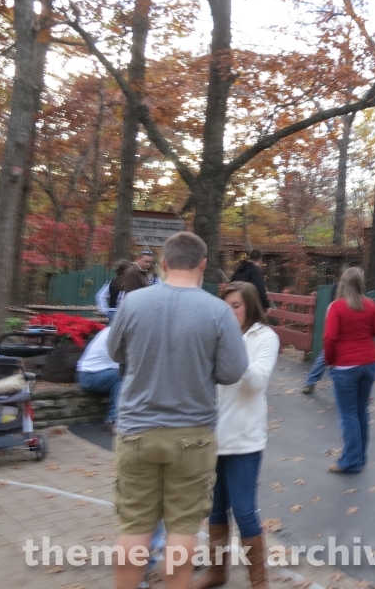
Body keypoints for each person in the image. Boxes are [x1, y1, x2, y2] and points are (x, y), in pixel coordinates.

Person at [107, 231, 248, 589]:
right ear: (202, 265)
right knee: (183, 529)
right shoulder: (218, 312)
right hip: (192, 436)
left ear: (164, 263)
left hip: (137, 431)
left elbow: (114, 353)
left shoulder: (133, 303)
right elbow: (232, 371)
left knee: (135, 527)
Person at [192, 281, 279, 589]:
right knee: (215, 509)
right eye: (225, 306)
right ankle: (217, 573)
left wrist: (231, 346)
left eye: (236, 306)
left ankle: (259, 582)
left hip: (244, 439)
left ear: (250, 306)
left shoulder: (265, 337)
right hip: (212, 436)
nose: (230, 312)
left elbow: (255, 382)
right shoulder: (213, 337)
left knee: (244, 511)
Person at [325, 267, 375, 473]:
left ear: (343, 283)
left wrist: (331, 360)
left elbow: (330, 337)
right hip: (369, 363)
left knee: (348, 414)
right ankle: (360, 456)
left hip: (345, 366)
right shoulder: (370, 305)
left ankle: (350, 460)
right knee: (361, 411)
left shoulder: (337, 307)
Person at [76, 325, 121, 433]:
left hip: (104, 374)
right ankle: (112, 420)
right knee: (124, 375)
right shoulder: (114, 335)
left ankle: (115, 420)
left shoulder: (117, 331)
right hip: (89, 376)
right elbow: (124, 362)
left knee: (120, 383)